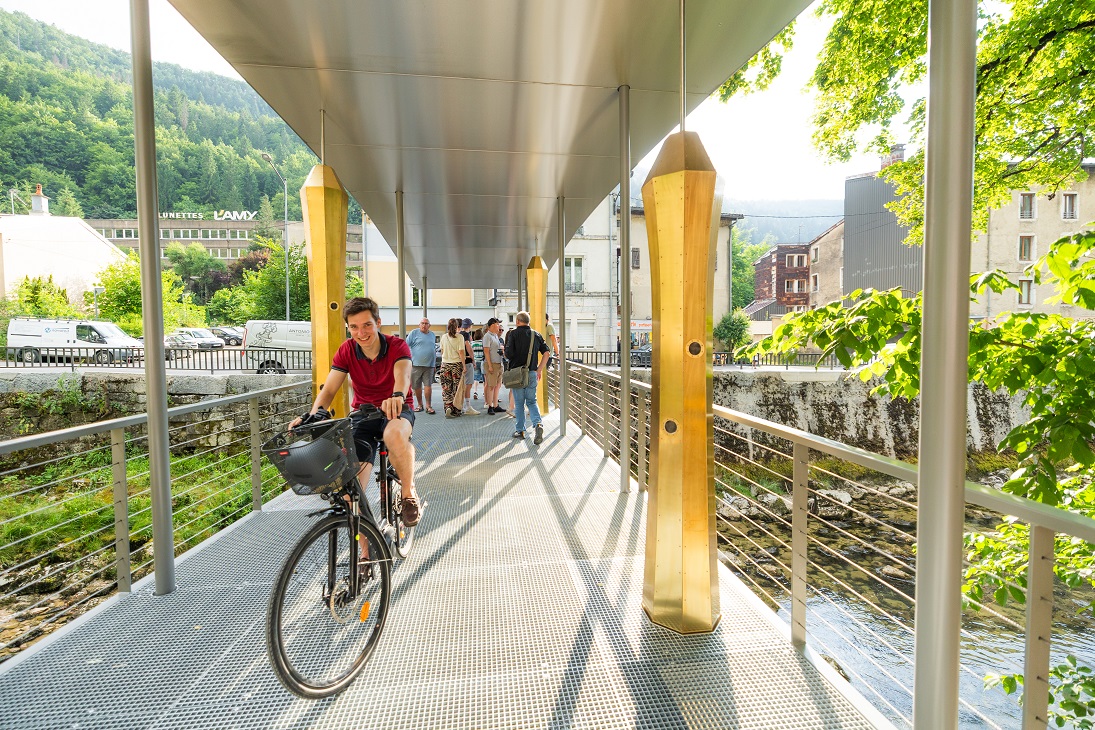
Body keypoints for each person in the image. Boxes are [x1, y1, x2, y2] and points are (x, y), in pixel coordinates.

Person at [288, 297, 421, 526]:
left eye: (367, 324)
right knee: (350, 492)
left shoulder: (397, 345)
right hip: (363, 414)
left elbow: (403, 376)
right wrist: (313, 414)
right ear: (349, 328)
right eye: (354, 327)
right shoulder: (347, 350)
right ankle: (366, 555)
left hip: (396, 410)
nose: (361, 332)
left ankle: (408, 493)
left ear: (378, 322)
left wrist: (397, 396)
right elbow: (329, 389)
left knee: (393, 435)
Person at [504, 311, 549, 443]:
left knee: (519, 403)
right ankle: (538, 424)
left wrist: (505, 351)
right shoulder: (536, 335)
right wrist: (539, 369)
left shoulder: (513, 334)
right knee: (532, 401)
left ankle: (520, 430)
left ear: (517, 322)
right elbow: (546, 353)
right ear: (528, 321)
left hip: (517, 374)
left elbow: (509, 354)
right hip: (531, 373)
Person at [405, 317, 437, 414]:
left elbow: (433, 349)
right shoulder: (414, 333)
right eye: (422, 323)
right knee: (417, 386)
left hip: (429, 365)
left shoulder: (432, 335)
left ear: (429, 325)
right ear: (419, 325)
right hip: (415, 365)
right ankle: (420, 405)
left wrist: (434, 363)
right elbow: (405, 346)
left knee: (428, 385)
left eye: (426, 323)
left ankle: (428, 406)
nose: (424, 325)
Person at [438, 318, 466, 418]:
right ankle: (456, 410)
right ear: (457, 326)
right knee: (457, 388)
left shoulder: (443, 337)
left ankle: (448, 406)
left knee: (446, 388)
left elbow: (442, 351)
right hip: (456, 365)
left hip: (445, 364)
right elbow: (461, 352)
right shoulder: (460, 337)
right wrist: (464, 365)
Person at [482, 318, 504, 414]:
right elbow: (486, 351)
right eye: (497, 324)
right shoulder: (487, 336)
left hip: (499, 363)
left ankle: (495, 405)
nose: (499, 326)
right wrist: (490, 365)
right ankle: (490, 406)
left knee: (497, 385)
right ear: (492, 325)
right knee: (491, 385)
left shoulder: (495, 336)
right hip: (492, 364)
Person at [459, 318, 479, 415]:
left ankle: (461, 406)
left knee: (463, 385)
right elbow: (468, 346)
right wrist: (473, 358)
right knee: (469, 384)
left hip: (460, 362)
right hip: (467, 362)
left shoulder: (458, 335)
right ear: (469, 326)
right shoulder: (466, 334)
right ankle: (467, 406)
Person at [471, 328, 485, 399]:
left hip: (475, 362)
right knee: (484, 378)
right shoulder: (483, 343)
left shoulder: (472, 343)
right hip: (482, 361)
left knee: (476, 378)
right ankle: (484, 392)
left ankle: (475, 392)